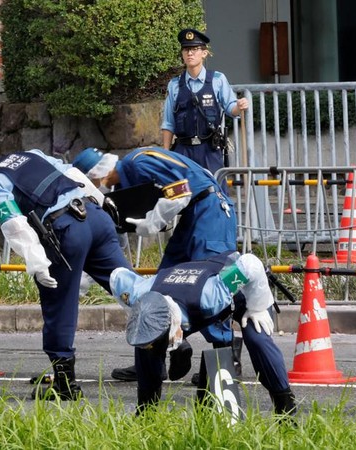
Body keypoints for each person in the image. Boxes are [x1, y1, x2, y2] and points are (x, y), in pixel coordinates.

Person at [0, 146, 132, 400]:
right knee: (126, 283)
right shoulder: (29, 154)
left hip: (67, 229)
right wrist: (102, 201)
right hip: (94, 216)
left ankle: (65, 384)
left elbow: (14, 223)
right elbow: (73, 173)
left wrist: (37, 262)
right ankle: (168, 328)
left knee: (58, 304)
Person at [72, 146, 242, 383]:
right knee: (161, 285)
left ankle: (221, 367)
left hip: (210, 212)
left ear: (96, 176)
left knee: (211, 283)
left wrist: (150, 223)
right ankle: (152, 358)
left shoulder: (138, 163)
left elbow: (181, 191)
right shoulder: (128, 177)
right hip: (193, 215)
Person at [110, 251, 296, 416]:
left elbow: (251, 264)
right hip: (180, 296)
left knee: (258, 339)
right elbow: (116, 275)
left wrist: (258, 307)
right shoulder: (135, 293)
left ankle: (286, 409)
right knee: (146, 347)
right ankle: (146, 413)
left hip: (245, 292)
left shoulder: (210, 297)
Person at [161, 28, 249, 177]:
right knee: (183, 197)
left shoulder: (217, 80)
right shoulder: (175, 85)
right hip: (182, 150)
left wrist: (240, 107)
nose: (190, 53)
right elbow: (168, 123)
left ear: (204, 53)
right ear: (182, 54)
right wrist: (165, 153)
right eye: (186, 49)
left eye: (194, 49)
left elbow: (231, 108)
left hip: (209, 150)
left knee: (215, 194)